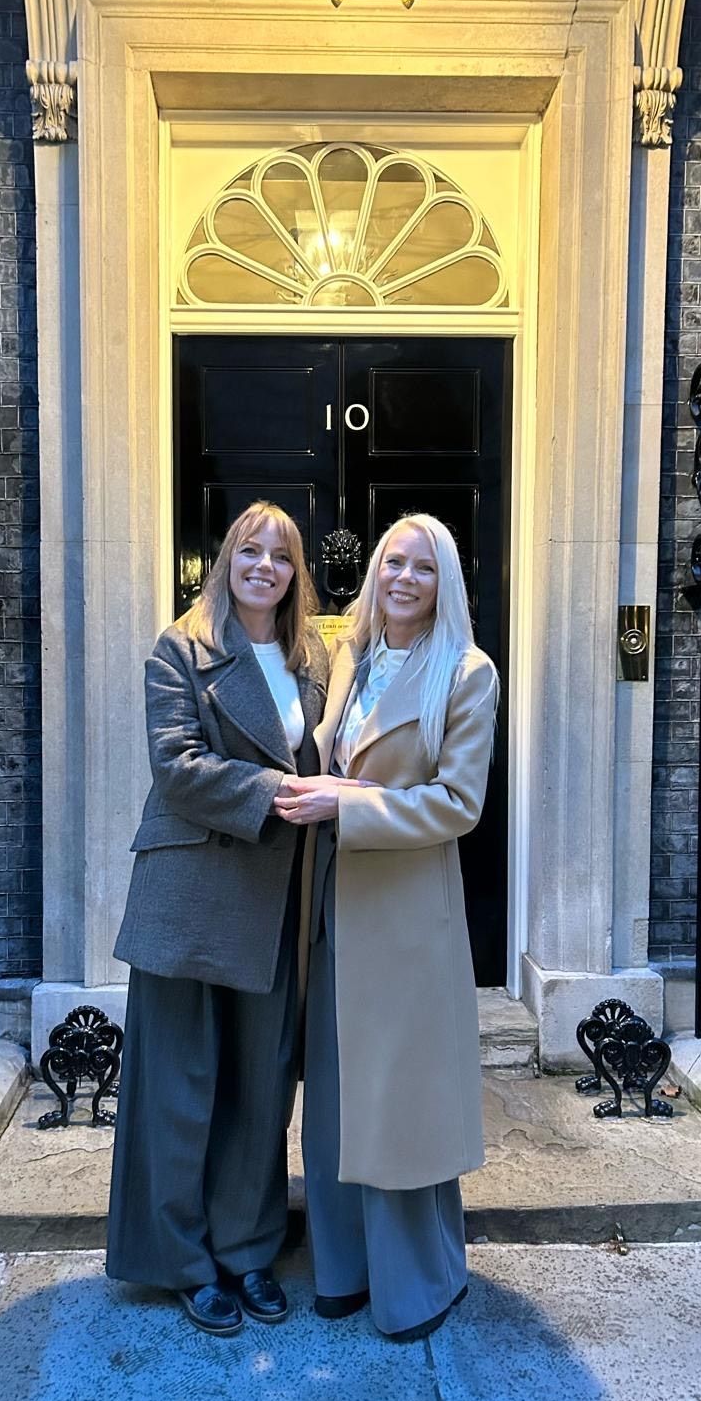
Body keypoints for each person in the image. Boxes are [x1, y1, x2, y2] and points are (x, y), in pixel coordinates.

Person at [106, 502, 330, 1336]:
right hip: (191, 897)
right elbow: (177, 768)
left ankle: (248, 1251)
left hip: (276, 902)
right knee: (179, 1088)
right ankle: (185, 1263)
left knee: (260, 1090)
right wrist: (276, 793)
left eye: (280, 555)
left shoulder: (314, 659)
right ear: (224, 560)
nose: (264, 565)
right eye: (250, 549)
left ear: (296, 574)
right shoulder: (180, 649)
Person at [276, 513, 498, 1341]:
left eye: (424, 568)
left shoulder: (469, 674)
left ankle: (416, 1284)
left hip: (407, 919)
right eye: (393, 563)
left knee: (400, 1104)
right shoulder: (349, 659)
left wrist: (348, 803)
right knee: (334, 1095)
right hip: (332, 907)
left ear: (446, 583)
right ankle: (341, 1269)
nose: (404, 579)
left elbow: (458, 805)